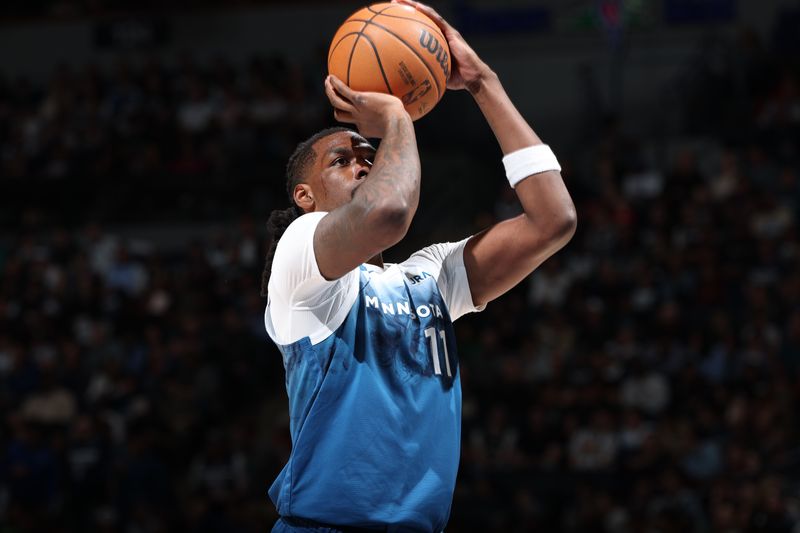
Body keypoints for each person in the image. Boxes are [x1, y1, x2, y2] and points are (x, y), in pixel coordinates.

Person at [260, 1, 577, 530]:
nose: (363, 161)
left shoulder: (427, 278)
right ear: (305, 196)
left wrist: (483, 83)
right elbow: (387, 213)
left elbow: (554, 220)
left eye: (370, 154)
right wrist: (394, 117)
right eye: (342, 160)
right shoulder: (299, 254)